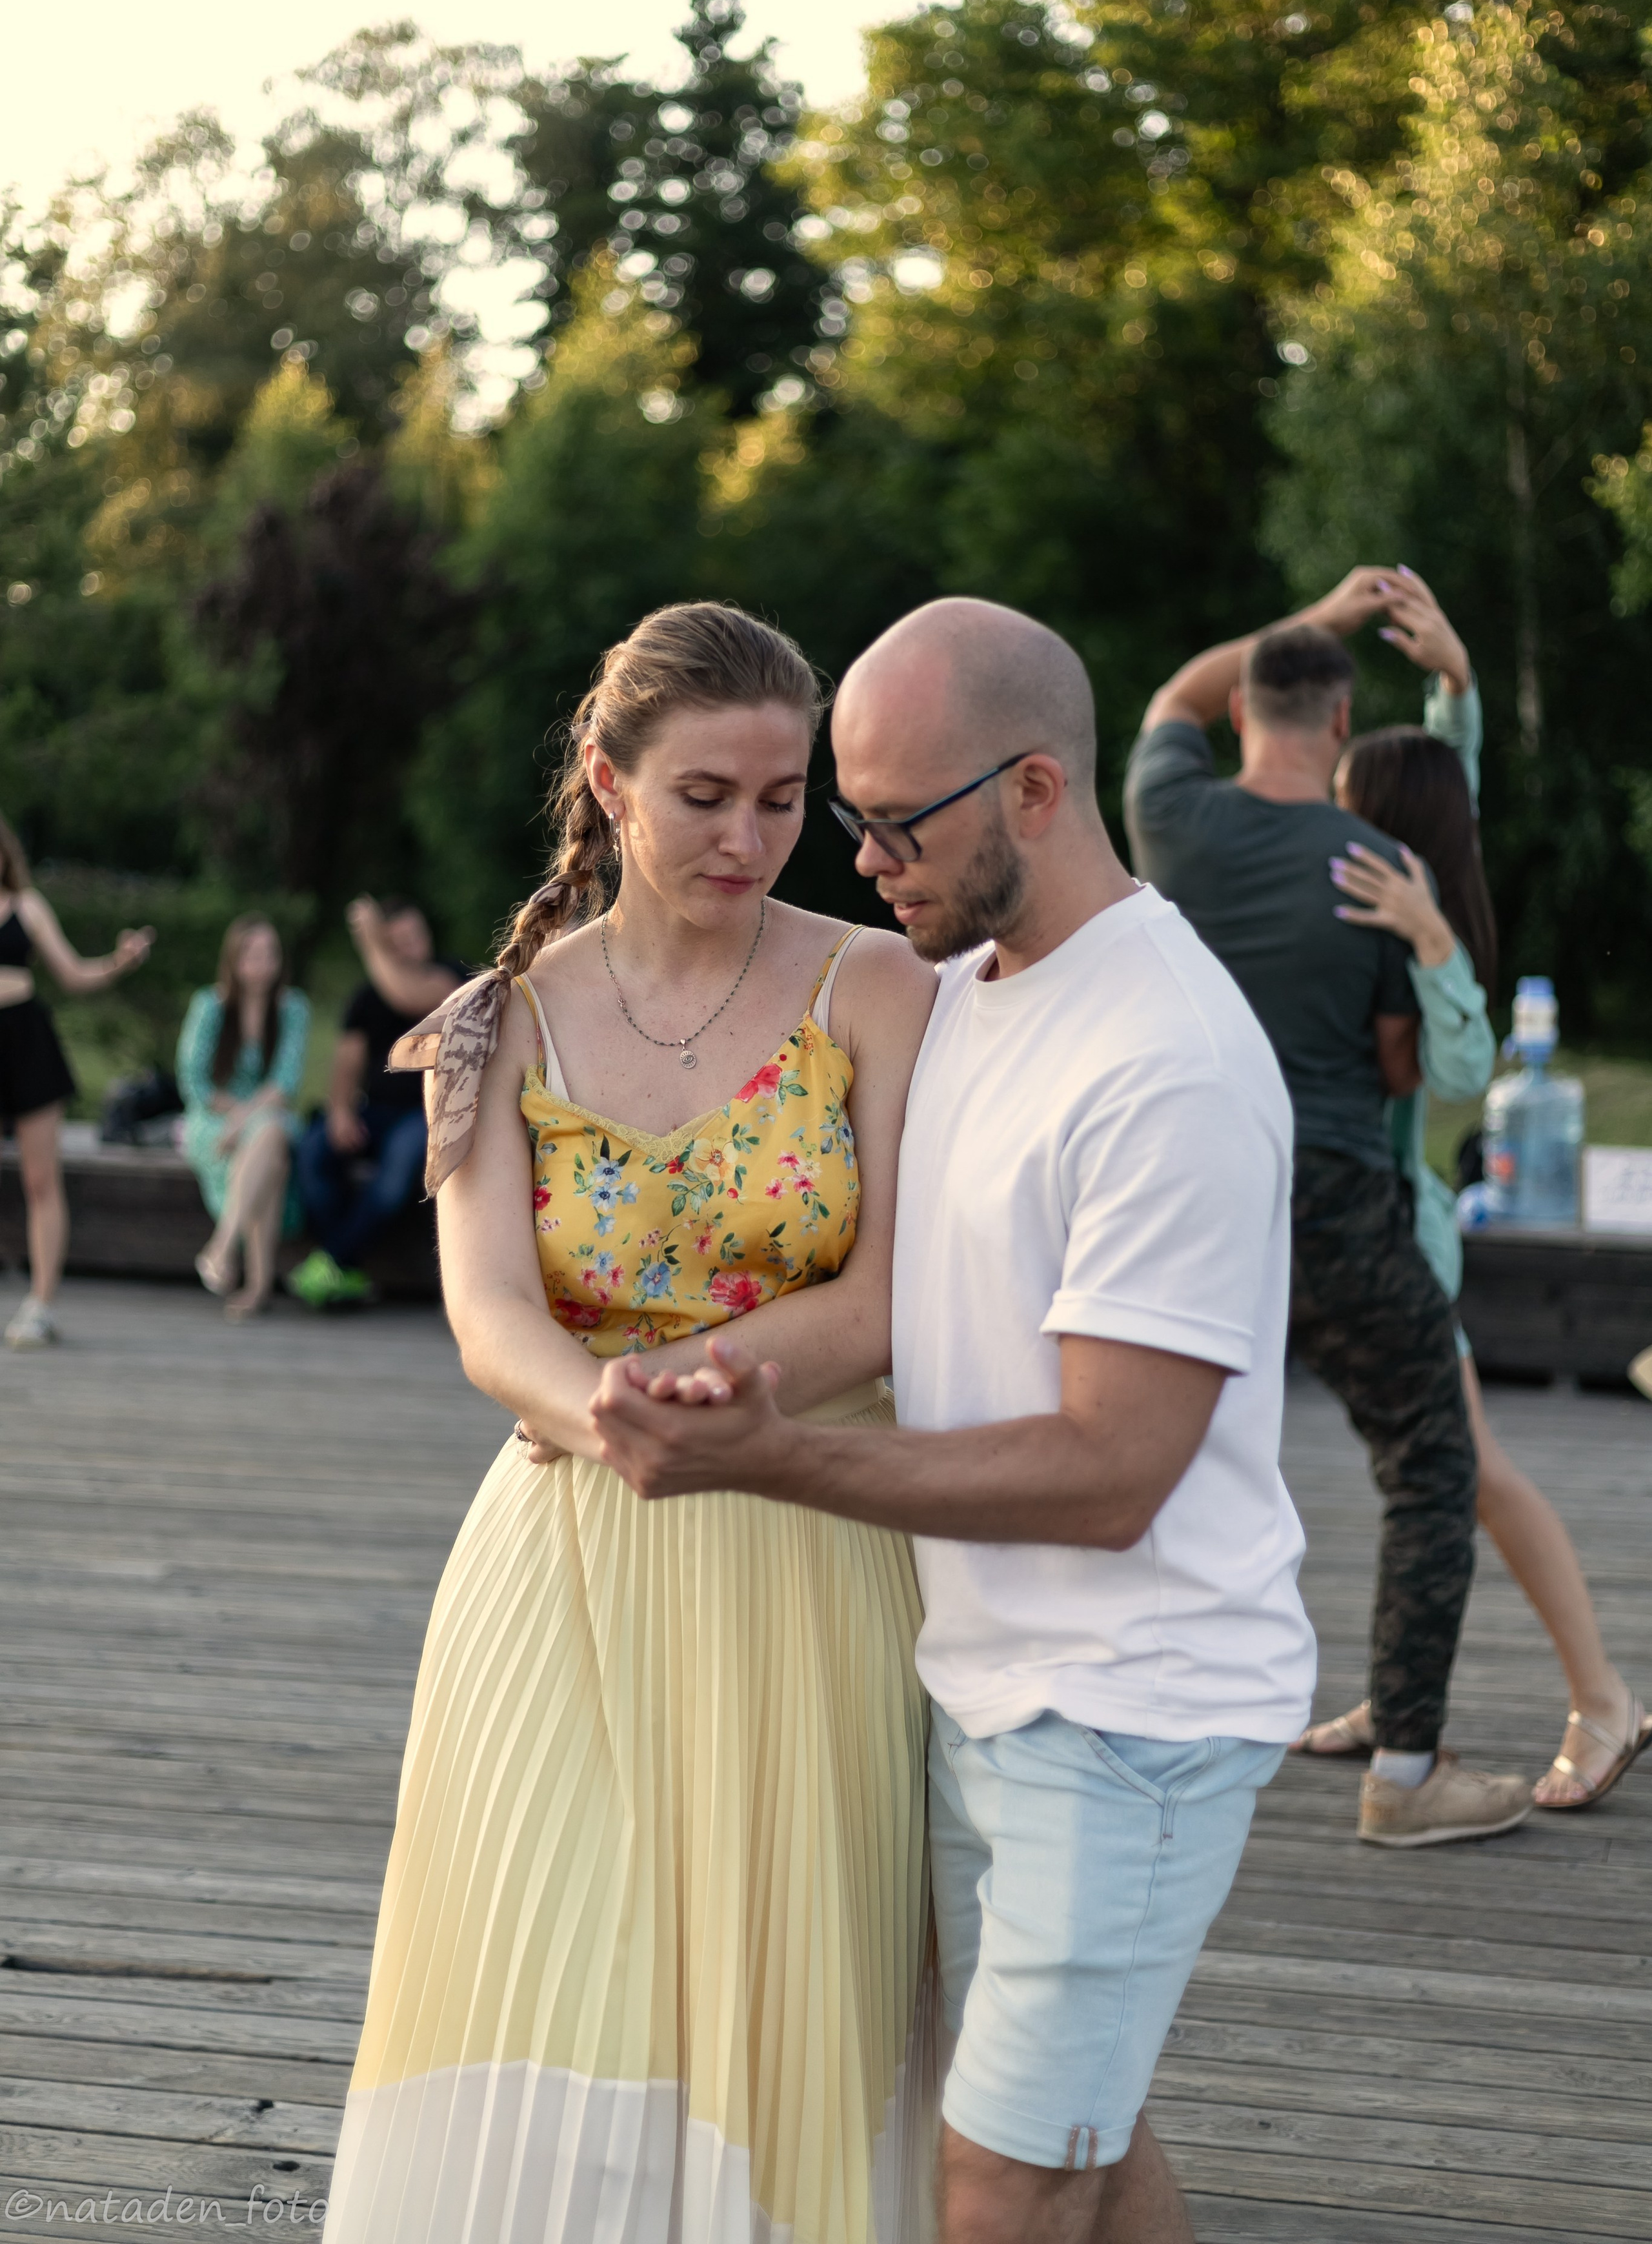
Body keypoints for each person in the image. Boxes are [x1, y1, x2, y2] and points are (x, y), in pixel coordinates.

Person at [586, 599, 1318, 2244]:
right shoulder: (979, 984)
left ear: (1037, 791)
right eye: (848, 817)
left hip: (1129, 1708)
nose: (858, 861)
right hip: (995, 1677)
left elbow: (1113, 1468)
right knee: (1084, 2137)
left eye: (894, 821)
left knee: (992, 2184)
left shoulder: (1164, 1060)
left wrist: (780, 1461)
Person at [322, 604, 940, 2244]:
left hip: (802, 1539)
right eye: (703, 795)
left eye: (782, 796)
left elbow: (887, 1297)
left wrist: (708, 1398)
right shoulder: (490, 1018)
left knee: (785, 1972)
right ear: (605, 782)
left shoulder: (873, 985)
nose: (748, 835)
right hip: (564, 1545)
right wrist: (609, 1414)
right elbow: (487, 1315)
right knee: (553, 1947)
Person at [1123, 567, 1531, 1848]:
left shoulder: (1168, 815)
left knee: (1146, 1462)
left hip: (1181, 1197)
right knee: (1428, 1465)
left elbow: (1170, 694)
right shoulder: (1378, 864)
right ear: (1343, 726)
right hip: (1337, 1204)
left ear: (1242, 714)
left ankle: (1126, 1738)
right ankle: (1402, 1777)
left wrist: (1322, 613)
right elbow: (1410, 1068)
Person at [1301, 569, 1649, 1810]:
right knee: (1428, 1474)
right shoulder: (1389, 883)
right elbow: (1453, 789)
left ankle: (1603, 1702)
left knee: (1471, 1472)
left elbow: (1460, 1065)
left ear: (1387, 831)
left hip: (1404, 1247)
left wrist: (1434, 943)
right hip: (1371, 1242)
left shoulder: (1416, 922)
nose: (1320, 826)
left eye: (1342, 808)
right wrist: (1453, 679)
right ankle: (1400, 1694)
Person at [0, 814, 154, 1349]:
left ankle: (40, 1305)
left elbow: (73, 974)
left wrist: (120, 961)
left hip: (25, 1042)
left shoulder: (27, 906)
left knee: (42, 1180)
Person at [288, 896, 461, 1308]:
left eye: (415, 936)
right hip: (376, 1111)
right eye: (397, 941)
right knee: (314, 1153)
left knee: (395, 1174)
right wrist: (340, 1111)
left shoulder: (450, 977)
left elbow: (409, 996)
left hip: (429, 1113)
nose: (410, 947)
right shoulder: (367, 996)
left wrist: (369, 941)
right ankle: (344, 1271)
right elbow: (347, 1060)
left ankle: (331, 1261)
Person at [177, 916, 310, 1322]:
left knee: (268, 1133)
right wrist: (236, 1118)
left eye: (270, 953)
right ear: (233, 960)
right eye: (252, 954)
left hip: (268, 1115)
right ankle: (258, 1286)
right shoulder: (209, 1005)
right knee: (271, 1159)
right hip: (213, 1119)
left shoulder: (292, 1008)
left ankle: (222, 1246)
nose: (263, 962)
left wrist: (246, 1119)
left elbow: (284, 1083)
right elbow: (195, 1080)